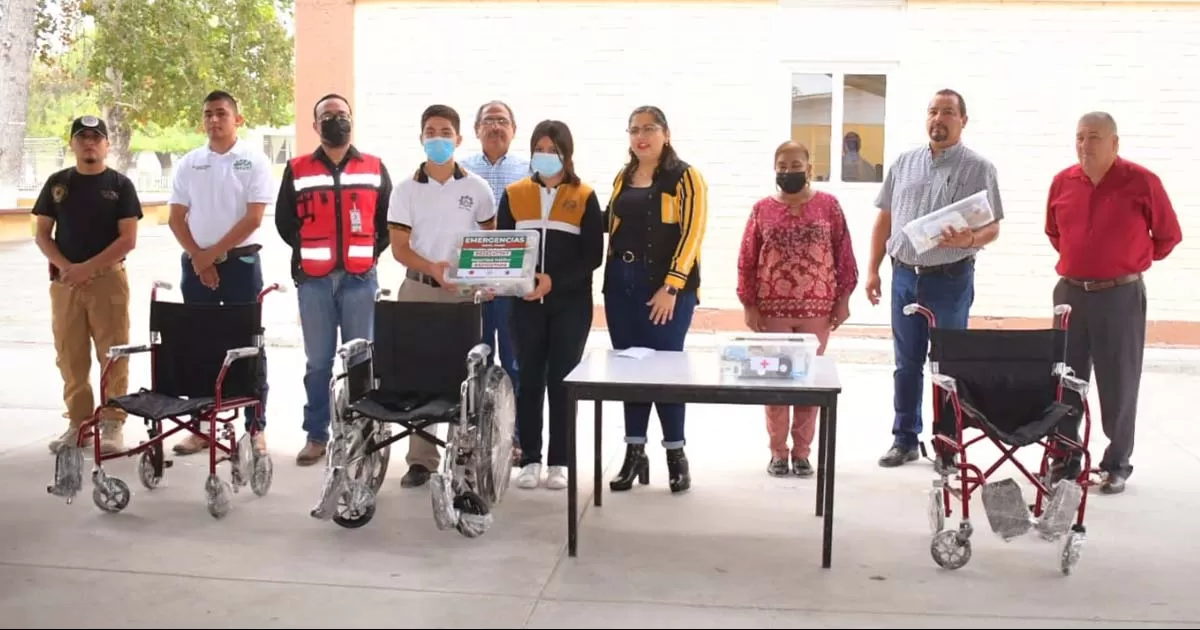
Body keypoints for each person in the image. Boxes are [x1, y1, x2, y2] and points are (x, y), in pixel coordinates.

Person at [865, 88, 1004, 470]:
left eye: (947, 112)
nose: (938, 119)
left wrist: (972, 238)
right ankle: (904, 438)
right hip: (904, 277)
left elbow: (993, 227)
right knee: (905, 362)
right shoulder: (904, 163)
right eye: (932, 111)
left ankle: (947, 445)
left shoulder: (979, 168)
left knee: (948, 365)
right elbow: (885, 219)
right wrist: (873, 268)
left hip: (951, 279)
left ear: (962, 120)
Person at [1044, 111, 1182, 495]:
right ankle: (1065, 458)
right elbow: (1054, 233)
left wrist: (1126, 260)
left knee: (1119, 380)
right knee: (1064, 379)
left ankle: (1116, 463)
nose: (1084, 145)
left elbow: (1168, 237)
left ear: (1115, 143)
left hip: (1120, 296)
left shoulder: (1142, 182)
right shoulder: (1062, 183)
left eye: (1094, 137)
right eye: (1079, 137)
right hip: (1070, 294)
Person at [275, 93, 394, 466]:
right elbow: (284, 221)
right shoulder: (297, 169)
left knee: (362, 360)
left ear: (351, 120)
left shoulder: (374, 167)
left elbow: (387, 221)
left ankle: (362, 430)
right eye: (327, 116)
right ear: (315, 125)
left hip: (361, 278)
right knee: (318, 361)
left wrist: (369, 252)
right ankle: (316, 435)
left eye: (341, 114)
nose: (335, 120)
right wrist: (313, 246)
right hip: (315, 281)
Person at [386, 104, 497, 488]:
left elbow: (489, 241)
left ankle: (462, 457)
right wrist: (433, 267)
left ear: (458, 139)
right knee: (417, 371)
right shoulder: (405, 190)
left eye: (445, 132)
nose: (438, 138)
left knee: (462, 375)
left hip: (463, 294)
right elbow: (399, 248)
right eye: (431, 132)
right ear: (421, 139)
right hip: (418, 288)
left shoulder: (477, 189)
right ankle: (421, 460)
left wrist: (482, 279)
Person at [603, 105, 709, 495]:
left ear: (666, 132)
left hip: (664, 287)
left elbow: (693, 233)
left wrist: (671, 286)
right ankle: (634, 452)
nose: (640, 136)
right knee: (630, 371)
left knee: (665, 373)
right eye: (633, 129)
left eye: (649, 128)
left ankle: (675, 455)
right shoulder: (623, 176)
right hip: (620, 283)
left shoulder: (685, 177)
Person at [737, 140, 859, 478]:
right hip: (771, 307)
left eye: (795, 164)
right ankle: (778, 452)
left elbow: (844, 252)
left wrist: (844, 299)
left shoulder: (828, 206)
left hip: (817, 308)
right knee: (775, 383)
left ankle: (803, 453)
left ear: (809, 166)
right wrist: (749, 303)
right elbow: (747, 258)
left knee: (808, 383)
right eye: (782, 164)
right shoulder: (762, 209)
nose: (788, 170)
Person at [496, 120, 604, 491]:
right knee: (528, 379)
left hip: (570, 304)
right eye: (539, 148)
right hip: (526, 303)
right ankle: (530, 458)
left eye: (553, 148)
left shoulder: (585, 196)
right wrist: (518, 283)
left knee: (561, 381)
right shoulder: (514, 194)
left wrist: (554, 280)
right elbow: (505, 247)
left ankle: (560, 460)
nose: (545, 155)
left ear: (566, 153)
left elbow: (592, 255)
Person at [167, 90, 276, 456]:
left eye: (222, 114)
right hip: (197, 266)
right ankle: (201, 427)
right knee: (199, 343)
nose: (214, 120)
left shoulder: (253, 160)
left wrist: (212, 255)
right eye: (208, 114)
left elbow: (254, 218)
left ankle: (255, 428)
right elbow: (175, 217)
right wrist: (200, 259)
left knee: (247, 345)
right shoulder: (189, 163)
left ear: (237, 119)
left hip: (241, 265)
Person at [34, 115, 143, 455]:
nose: (89, 143)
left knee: (113, 353)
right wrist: (69, 268)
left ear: (107, 145)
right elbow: (42, 234)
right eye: (82, 137)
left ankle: (111, 423)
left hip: (107, 280)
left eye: (96, 137)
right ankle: (79, 422)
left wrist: (88, 269)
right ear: (73, 144)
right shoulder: (57, 184)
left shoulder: (120, 185)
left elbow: (128, 239)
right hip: (66, 284)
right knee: (70, 354)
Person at [460, 100, 530, 464]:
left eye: (503, 120)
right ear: (476, 129)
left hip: (514, 279)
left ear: (513, 129)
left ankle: (514, 438)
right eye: (488, 120)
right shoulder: (461, 170)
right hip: (473, 279)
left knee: (515, 361)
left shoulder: (528, 169)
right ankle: (475, 436)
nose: (495, 127)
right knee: (475, 359)